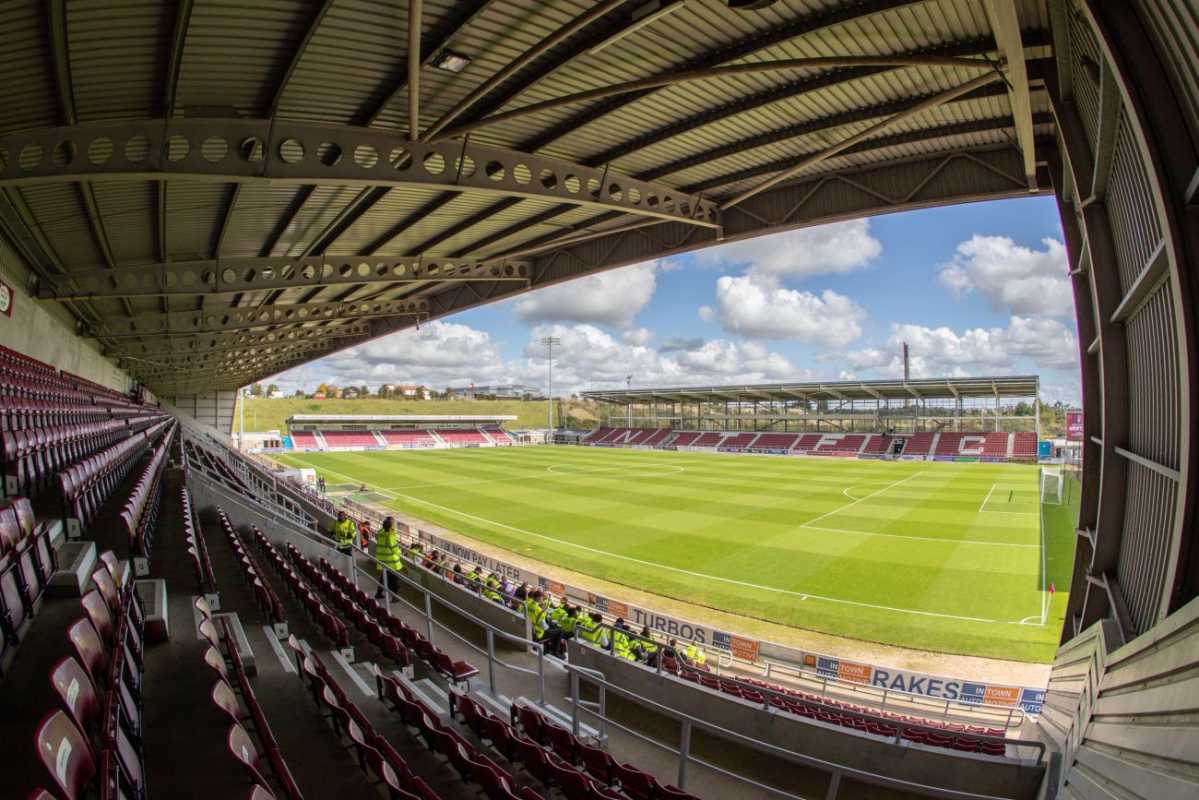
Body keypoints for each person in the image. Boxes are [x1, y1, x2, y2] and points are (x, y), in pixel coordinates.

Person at [373, 516, 402, 599]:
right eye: (393, 523)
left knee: (383, 577)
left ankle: (378, 593)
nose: (395, 525)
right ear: (391, 526)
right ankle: (395, 597)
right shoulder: (390, 535)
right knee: (394, 580)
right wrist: (400, 552)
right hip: (391, 562)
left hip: (383, 560)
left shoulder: (380, 532)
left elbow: (377, 537)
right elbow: (394, 548)